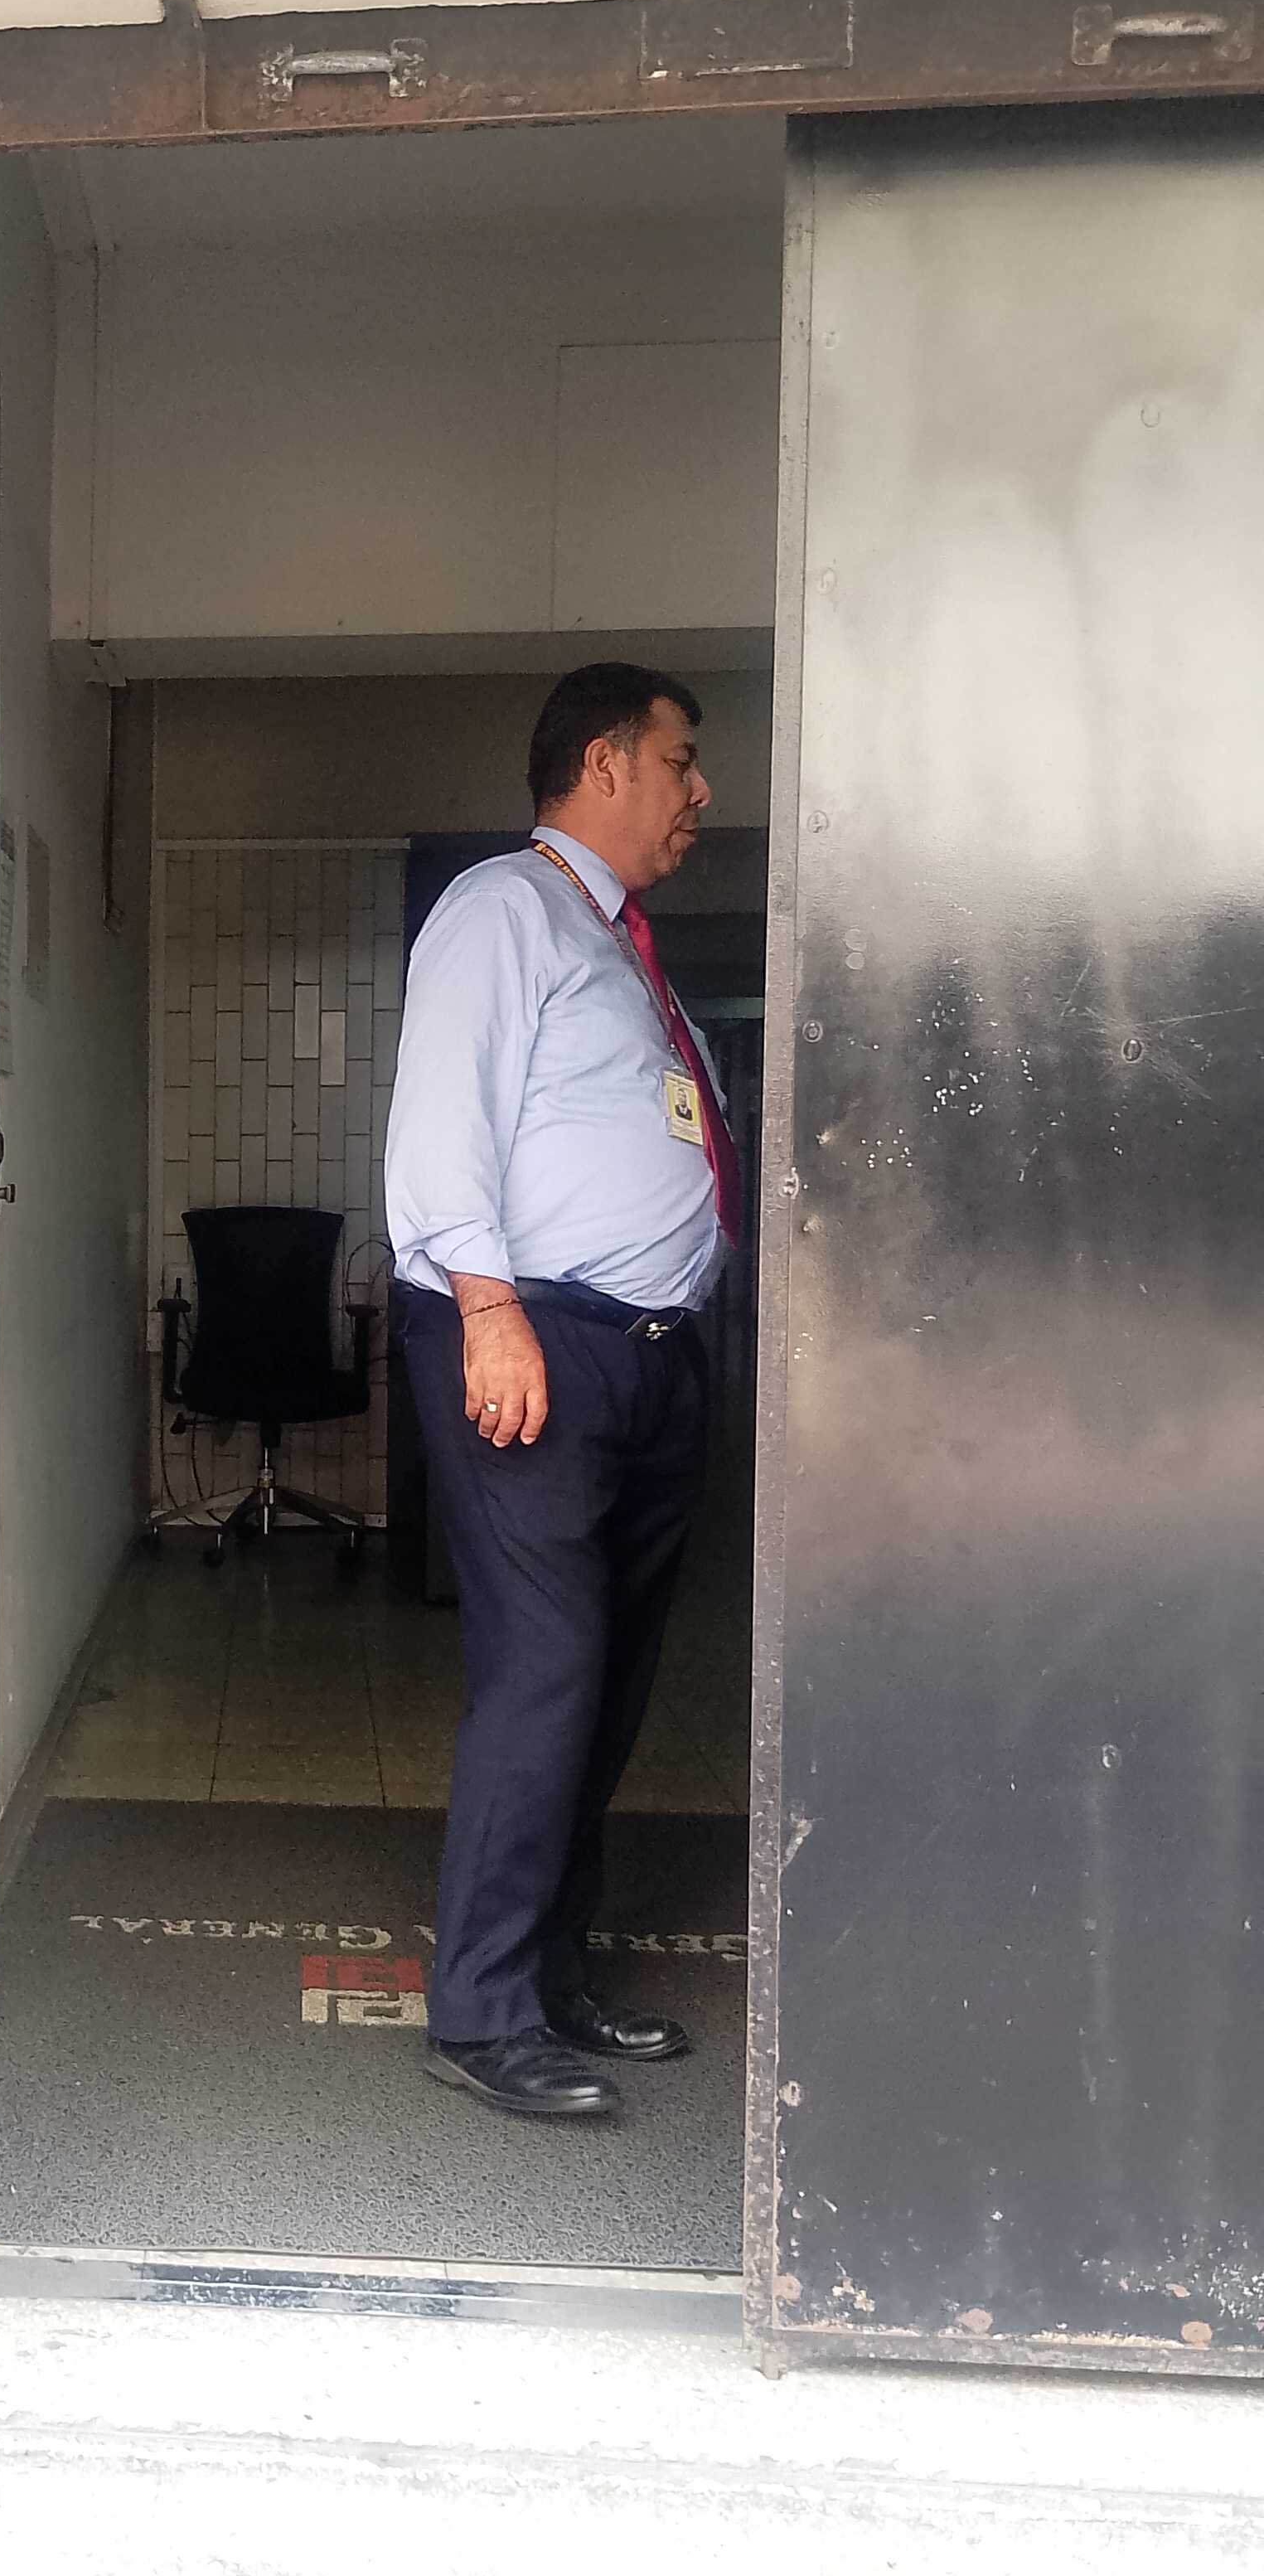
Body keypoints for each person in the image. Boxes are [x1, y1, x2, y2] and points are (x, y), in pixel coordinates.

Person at [384, 662, 738, 2121]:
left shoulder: (622, 952)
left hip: (649, 1357)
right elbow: (440, 1124)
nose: (699, 791)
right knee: (548, 1671)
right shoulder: (504, 911)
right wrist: (490, 1314)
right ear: (603, 764)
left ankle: (551, 1974)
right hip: (536, 1338)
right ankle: (479, 2013)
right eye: (681, 761)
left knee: (614, 1676)